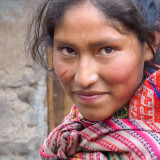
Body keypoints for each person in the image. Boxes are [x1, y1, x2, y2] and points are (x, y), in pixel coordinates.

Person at [26, 0, 160, 159]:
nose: (84, 79)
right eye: (68, 51)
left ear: (150, 43)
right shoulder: (73, 132)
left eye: (107, 50)